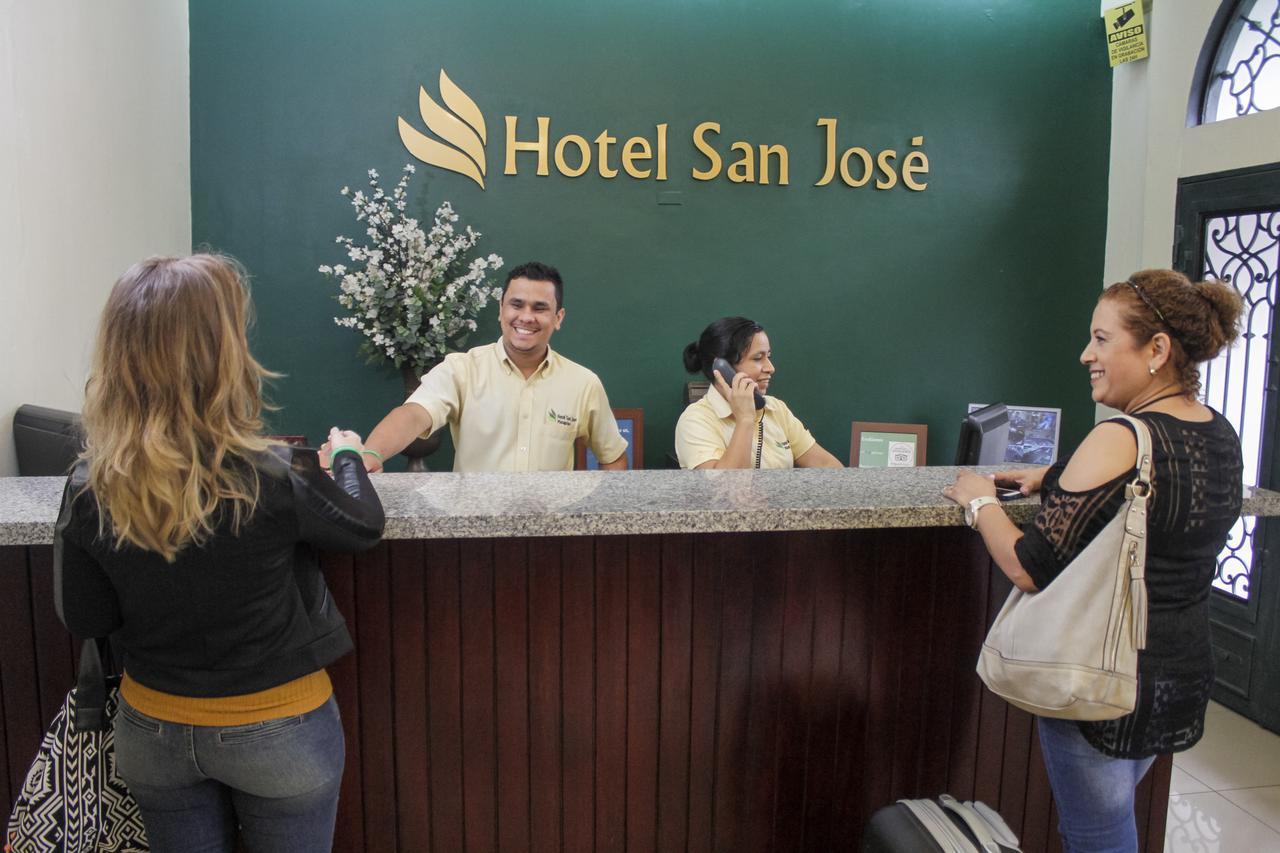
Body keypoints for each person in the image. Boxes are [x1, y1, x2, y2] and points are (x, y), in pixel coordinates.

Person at [54, 254, 385, 853]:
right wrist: (346, 457)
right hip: (280, 731)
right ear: (222, 354)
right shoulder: (275, 473)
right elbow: (362, 527)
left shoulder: (89, 484)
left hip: (152, 733)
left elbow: (87, 618)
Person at [943, 268, 1244, 853]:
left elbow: (1027, 566)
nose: (1087, 354)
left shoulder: (1118, 438)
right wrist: (1058, 476)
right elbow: (1162, 496)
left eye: (1102, 339)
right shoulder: (1218, 431)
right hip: (1178, 673)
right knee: (1113, 827)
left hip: (1103, 684)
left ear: (1156, 350)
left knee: (1098, 838)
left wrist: (980, 499)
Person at [359, 261, 628, 472]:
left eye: (540, 308)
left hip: (550, 536)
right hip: (474, 534)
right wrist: (370, 455)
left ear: (558, 317)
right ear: (500, 310)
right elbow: (414, 415)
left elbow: (613, 457)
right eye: (516, 304)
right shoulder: (461, 370)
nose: (526, 317)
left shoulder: (583, 383)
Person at [675, 316, 843, 469]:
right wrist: (745, 419)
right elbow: (727, 490)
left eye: (768, 356)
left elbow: (826, 464)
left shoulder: (776, 409)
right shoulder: (694, 421)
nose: (771, 368)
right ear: (721, 367)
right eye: (757, 358)